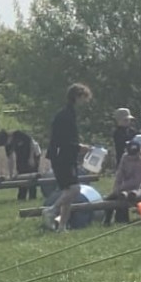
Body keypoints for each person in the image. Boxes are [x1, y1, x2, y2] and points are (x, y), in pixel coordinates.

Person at [46, 83, 92, 231]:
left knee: (68, 192)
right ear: (77, 96)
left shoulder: (69, 113)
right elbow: (63, 140)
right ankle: (52, 209)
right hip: (62, 157)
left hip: (67, 156)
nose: (85, 101)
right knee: (75, 189)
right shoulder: (65, 116)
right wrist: (79, 147)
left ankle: (62, 226)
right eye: (84, 98)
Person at [106, 133, 141, 225]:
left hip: (136, 188)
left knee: (127, 196)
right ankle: (107, 220)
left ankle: (124, 219)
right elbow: (120, 173)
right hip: (123, 187)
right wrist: (116, 186)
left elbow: (136, 180)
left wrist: (122, 187)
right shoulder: (124, 157)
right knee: (111, 198)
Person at [0, 129, 43, 200]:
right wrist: (11, 174)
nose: (6, 145)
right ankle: (22, 197)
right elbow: (10, 159)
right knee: (21, 172)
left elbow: (31, 143)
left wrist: (31, 158)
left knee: (32, 173)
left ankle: (32, 196)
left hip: (33, 152)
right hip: (21, 155)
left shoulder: (18, 134)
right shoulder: (7, 145)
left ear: (8, 137)